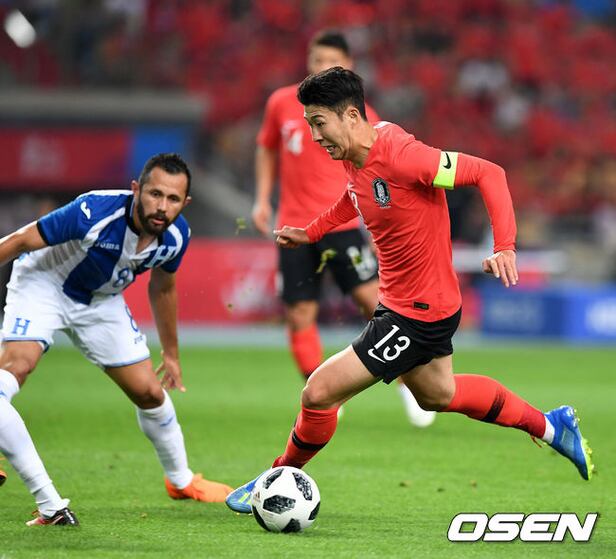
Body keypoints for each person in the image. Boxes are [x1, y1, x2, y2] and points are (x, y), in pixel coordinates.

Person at [226, 68, 594, 513]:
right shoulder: (354, 153)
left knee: (318, 393)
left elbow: (489, 173)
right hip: (416, 304)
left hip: (416, 312)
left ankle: (275, 476)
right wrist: (313, 231)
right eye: (310, 125)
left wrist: (505, 246)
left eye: (319, 123)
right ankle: (552, 428)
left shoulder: (405, 157)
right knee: (438, 394)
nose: (315, 136)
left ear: (351, 116)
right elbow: (355, 195)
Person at [0, 153, 233, 526]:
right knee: (16, 369)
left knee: (150, 394)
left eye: (173, 199)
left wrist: (171, 354)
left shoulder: (177, 236)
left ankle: (181, 481)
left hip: (101, 302)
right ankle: (50, 504)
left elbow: (163, 287)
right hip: (43, 285)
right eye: (155, 194)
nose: (162, 206)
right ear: (136, 189)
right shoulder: (94, 210)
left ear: (185, 202)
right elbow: (20, 240)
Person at [253, 29, 435, 427]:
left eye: (330, 62)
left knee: (376, 305)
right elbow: (266, 146)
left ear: (348, 67)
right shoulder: (283, 103)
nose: (321, 67)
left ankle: (411, 385)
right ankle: (324, 395)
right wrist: (262, 198)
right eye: (316, 59)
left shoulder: (358, 114)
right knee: (299, 314)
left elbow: (382, 173)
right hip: (296, 227)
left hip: (344, 224)